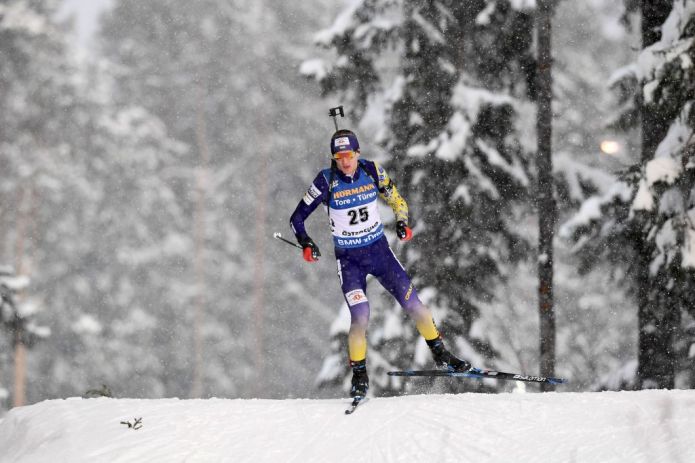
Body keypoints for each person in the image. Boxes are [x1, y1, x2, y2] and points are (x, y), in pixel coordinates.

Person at [289, 129, 470, 398]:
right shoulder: (325, 181)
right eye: (339, 157)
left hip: (380, 254)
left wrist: (401, 222)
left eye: (349, 155)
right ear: (333, 158)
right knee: (360, 317)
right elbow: (296, 219)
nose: (345, 162)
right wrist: (306, 242)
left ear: (357, 153)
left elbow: (397, 200)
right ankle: (360, 378)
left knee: (414, 304)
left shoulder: (372, 171)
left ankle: (441, 355)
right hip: (350, 262)